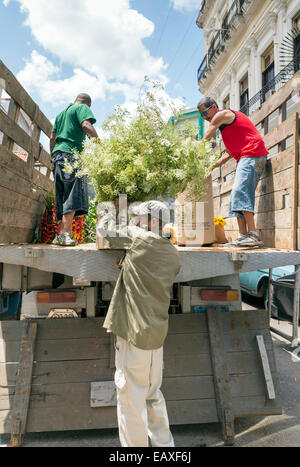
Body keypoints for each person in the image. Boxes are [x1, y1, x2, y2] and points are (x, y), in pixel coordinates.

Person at [97, 200, 181, 447]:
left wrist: (112, 208)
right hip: (156, 336)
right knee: (152, 395)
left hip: (134, 335)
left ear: (154, 222)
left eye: (139, 218)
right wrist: (127, 263)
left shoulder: (139, 239)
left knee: (130, 399)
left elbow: (105, 228)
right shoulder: (173, 254)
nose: (134, 222)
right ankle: (164, 447)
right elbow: (147, 273)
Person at [197, 97, 269, 247]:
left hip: (252, 154)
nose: (205, 118)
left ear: (214, 107)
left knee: (240, 191)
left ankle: (254, 235)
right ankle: (243, 236)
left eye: (205, 113)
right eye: (201, 116)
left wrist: (194, 153)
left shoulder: (221, 115)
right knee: (235, 198)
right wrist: (213, 165)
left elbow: (207, 137)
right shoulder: (227, 127)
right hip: (247, 157)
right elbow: (229, 152)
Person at [50, 93, 99, 246]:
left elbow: (52, 138)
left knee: (64, 196)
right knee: (73, 194)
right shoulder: (82, 108)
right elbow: (86, 126)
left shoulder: (61, 114)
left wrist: (53, 156)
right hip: (71, 156)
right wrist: (100, 145)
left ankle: (64, 234)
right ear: (87, 104)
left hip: (58, 156)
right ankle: (64, 234)